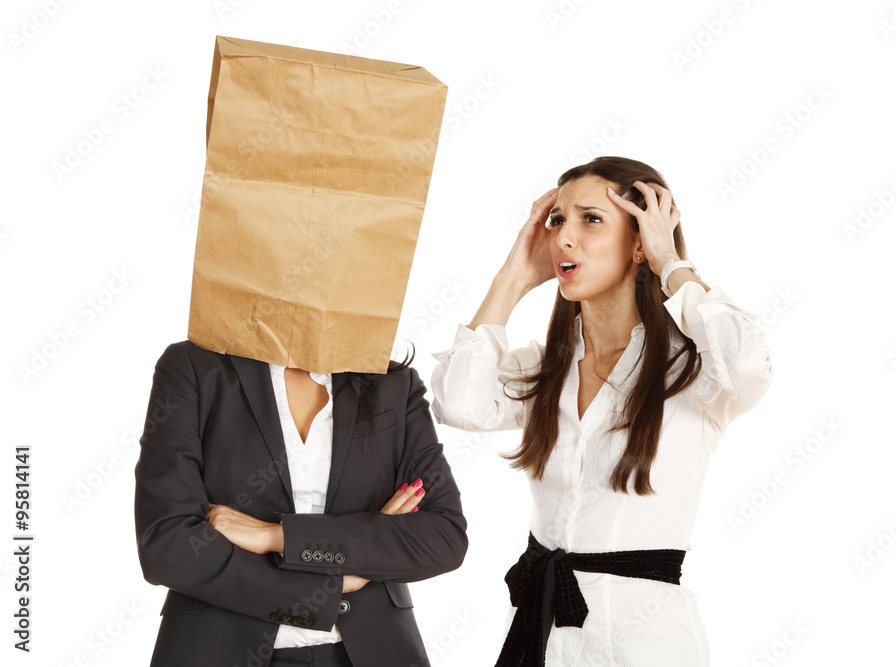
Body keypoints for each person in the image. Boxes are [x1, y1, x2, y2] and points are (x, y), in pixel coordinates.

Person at [430, 156, 773, 666]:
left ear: (639, 242)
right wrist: (512, 279)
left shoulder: (692, 372)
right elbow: (458, 402)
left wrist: (671, 262)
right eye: (557, 220)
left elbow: (747, 363)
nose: (565, 237)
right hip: (540, 634)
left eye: (591, 219)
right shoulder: (548, 368)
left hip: (644, 645)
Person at [134, 342, 468, 667]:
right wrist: (331, 586)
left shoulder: (393, 382)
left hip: (375, 649)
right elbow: (168, 545)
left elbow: (443, 537)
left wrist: (277, 537)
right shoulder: (195, 367)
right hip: (218, 647)